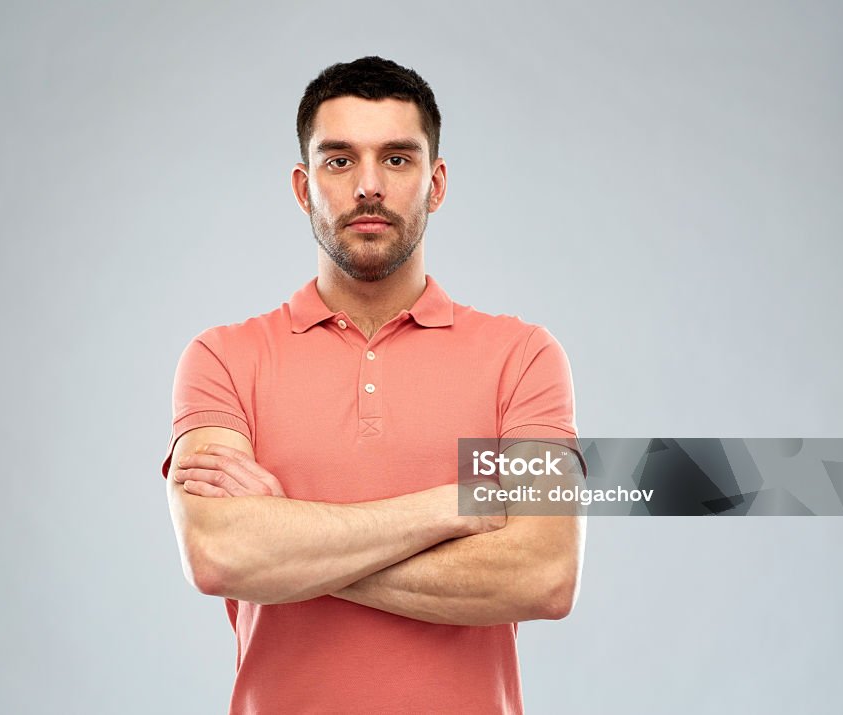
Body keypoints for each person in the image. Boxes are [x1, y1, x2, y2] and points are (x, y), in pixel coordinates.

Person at [160, 56, 587, 715]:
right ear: (303, 187)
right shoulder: (222, 358)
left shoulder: (522, 357)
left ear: (435, 182)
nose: (368, 186)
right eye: (339, 161)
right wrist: (458, 504)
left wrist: (291, 544)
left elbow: (546, 572)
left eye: (396, 159)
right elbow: (221, 554)